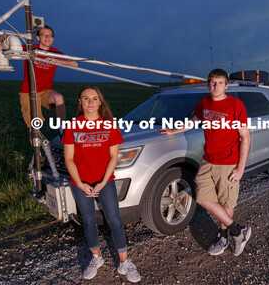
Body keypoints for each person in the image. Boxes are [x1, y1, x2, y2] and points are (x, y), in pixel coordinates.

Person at [160, 68, 251, 256]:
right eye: (212, 82)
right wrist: (174, 131)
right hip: (207, 160)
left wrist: (240, 168)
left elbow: (245, 137)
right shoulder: (205, 102)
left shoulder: (236, 105)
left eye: (219, 82)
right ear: (208, 84)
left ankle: (222, 236)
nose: (215, 86)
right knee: (203, 198)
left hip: (228, 162)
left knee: (226, 201)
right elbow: (194, 120)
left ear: (226, 85)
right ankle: (237, 230)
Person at [62, 85, 141, 282]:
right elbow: (69, 159)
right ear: (80, 102)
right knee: (88, 221)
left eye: (94, 99)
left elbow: (114, 157)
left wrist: (103, 182)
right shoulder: (72, 126)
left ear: (100, 102)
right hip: (80, 182)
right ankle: (96, 257)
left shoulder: (109, 125)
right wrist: (80, 184)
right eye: (86, 98)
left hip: (105, 181)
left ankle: (124, 261)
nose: (90, 102)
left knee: (114, 220)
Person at [0, 25, 77, 134]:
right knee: (34, 127)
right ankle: (36, 151)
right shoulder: (30, 48)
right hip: (29, 92)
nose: (47, 38)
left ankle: (62, 132)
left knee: (59, 98)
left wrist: (59, 61)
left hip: (45, 91)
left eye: (50, 35)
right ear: (38, 37)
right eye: (44, 35)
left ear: (53, 38)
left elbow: (74, 63)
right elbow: (3, 52)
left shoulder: (55, 52)